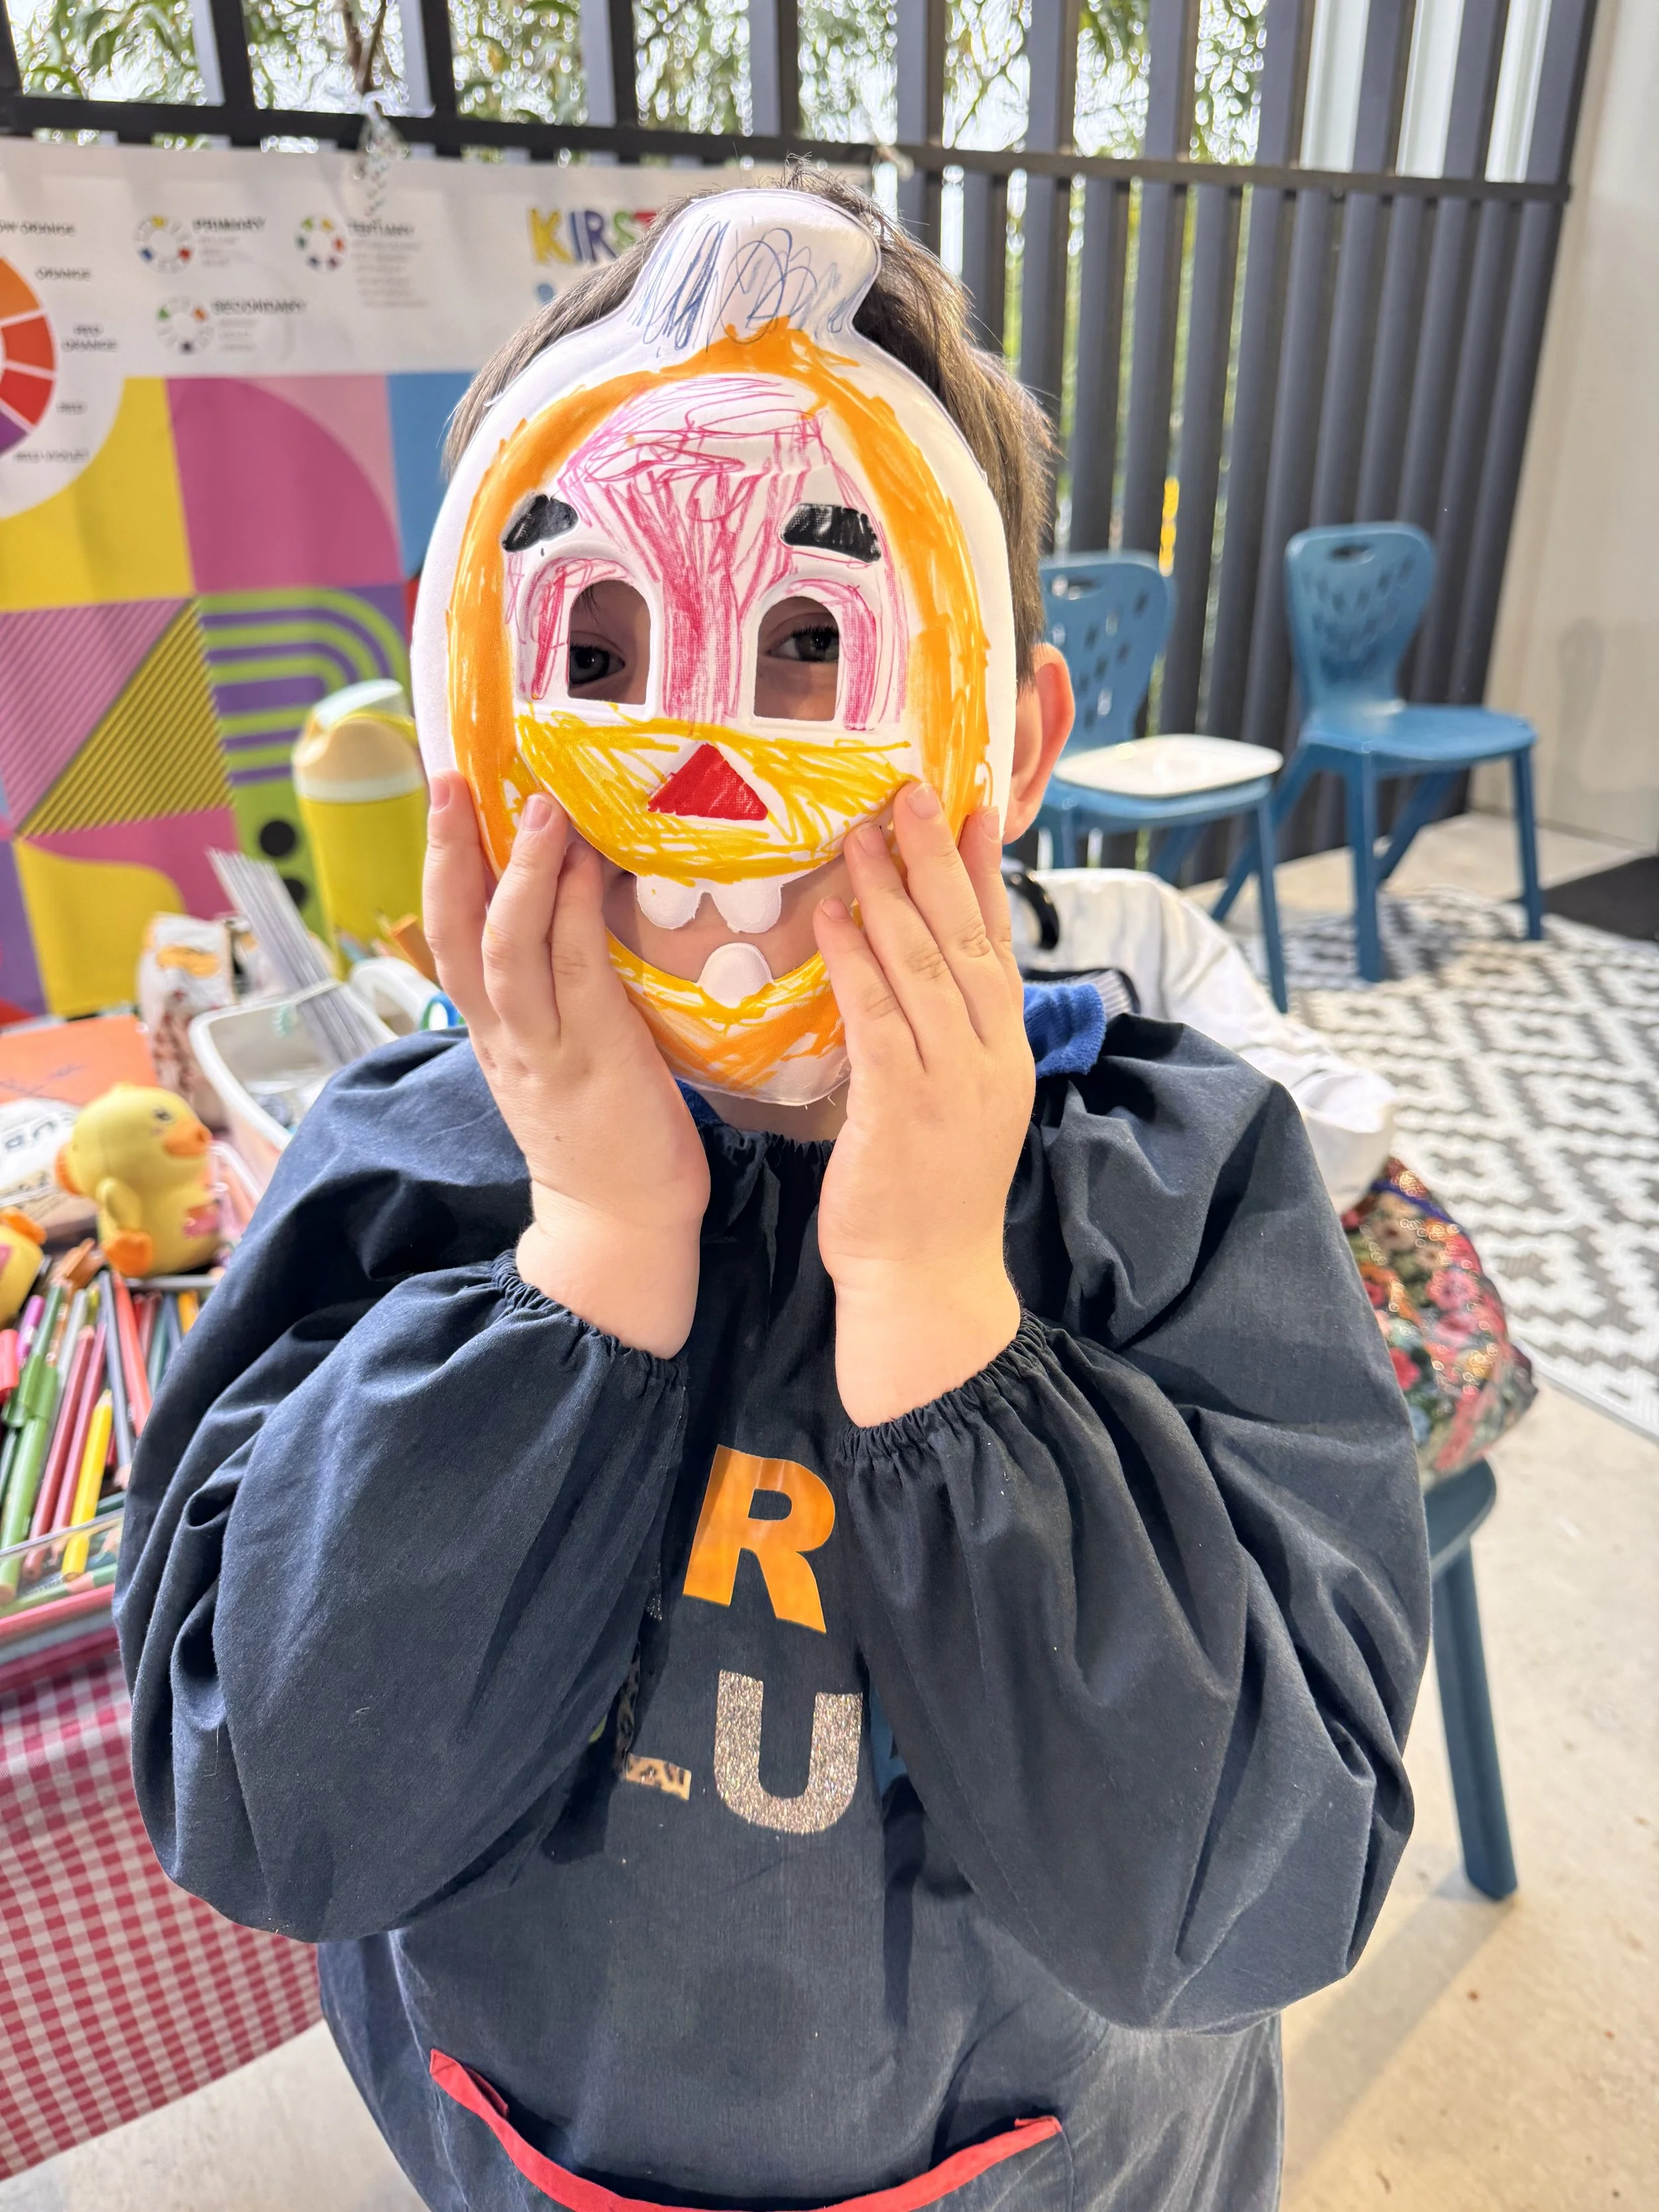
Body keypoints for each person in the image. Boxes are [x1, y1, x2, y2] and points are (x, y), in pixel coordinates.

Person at [117, 169, 1429, 2212]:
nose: (698, 759)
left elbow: (1254, 1887)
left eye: (808, 640)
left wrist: (929, 1300)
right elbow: (265, 1801)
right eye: (604, 643)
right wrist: (594, 1251)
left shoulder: (1174, 1193)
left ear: (1005, 745)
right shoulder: (395, 1174)